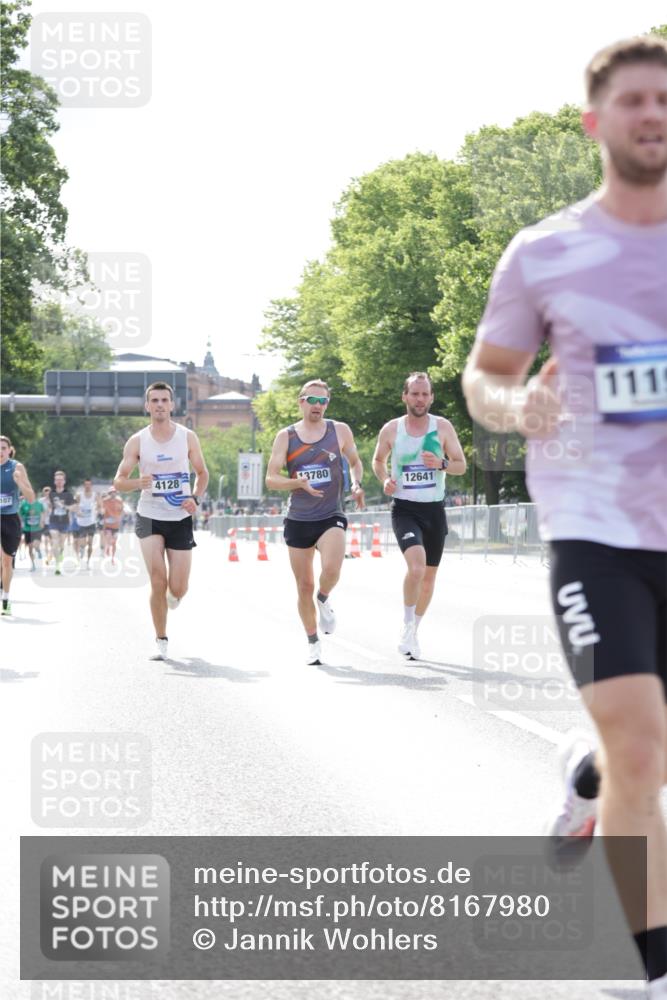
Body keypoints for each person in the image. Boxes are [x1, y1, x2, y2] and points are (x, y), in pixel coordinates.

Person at [462, 35, 667, 997]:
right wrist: (516, 408)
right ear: (596, 122)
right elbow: (485, 379)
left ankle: (588, 782)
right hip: (597, 531)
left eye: (664, 98)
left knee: (636, 753)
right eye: (632, 100)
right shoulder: (543, 252)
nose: (652, 114)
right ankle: (643, 966)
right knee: (642, 744)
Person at [265, 379, 364, 665]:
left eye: (323, 401)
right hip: (298, 518)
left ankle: (324, 597)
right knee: (303, 586)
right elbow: (271, 478)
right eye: (312, 400)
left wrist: (357, 484)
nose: (318, 406)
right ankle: (312, 642)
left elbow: (356, 462)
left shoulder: (339, 431)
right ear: (301, 401)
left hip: (330, 513)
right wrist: (296, 483)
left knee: (331, 569)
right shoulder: (286, 436)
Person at [372, 373, 466, 660]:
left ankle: (413, 629)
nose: (420, 399)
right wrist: (385, 478)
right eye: (414, 394)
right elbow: (378, 460)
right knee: (416, 568)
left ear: (431, 398)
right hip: (405, 509)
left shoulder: (443, 427)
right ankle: (406, 624)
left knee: (428, 579)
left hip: (434, 509)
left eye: (425, 394)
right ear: (405, 396)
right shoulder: (392, 429)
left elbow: (461, 466)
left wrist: (442, 463)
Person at [113, 381, 209, 661]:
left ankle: (172, 598)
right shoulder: (138, 441)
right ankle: (161, 639)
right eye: (154, 400)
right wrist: (136, 482)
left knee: (178, 588)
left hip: (179, 516)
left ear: (172, 405)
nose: (159, 405)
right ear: (147, 406)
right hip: (149, 515)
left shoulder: (187, 437)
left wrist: (195, 498)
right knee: (157, 580)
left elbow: (202, 473)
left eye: (164, 400)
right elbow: (119, 482)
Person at [0, 435, 36, 614]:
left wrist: (20, 482)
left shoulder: (17, 467)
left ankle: (5, 598)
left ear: (9, 450)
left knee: (7, 562)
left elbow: (31, 497)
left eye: (3, 448)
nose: (0, 451)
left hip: (10, 519)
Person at [49, 470, 76, 575]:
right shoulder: (51, 493)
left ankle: (60, 554)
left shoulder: (68, 494)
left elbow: (74, 507)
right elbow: (51, 506)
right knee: (55, 542)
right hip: (53, 521)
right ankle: (57, 565)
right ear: (54, 482)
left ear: (64, 481)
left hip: (64, 522)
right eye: (57, 480)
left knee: (61, 544)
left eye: (61, 480)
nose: (59, 482)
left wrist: (64, 506)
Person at [74, 479, 99, 567]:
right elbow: (75, 505)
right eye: (86, 485)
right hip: (81, 523)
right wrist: (77, 512)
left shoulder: (95, 495)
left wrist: (99, 510)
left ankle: (88, 561)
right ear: (84, 486)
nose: (87, 486)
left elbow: (100, 505)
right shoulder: (79, 495)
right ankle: (82, 548)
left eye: (89, 485)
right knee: (83, 544)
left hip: (91, 522)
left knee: (90, 543)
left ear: (91, 486)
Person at [19, 491, 45, 572]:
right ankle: (33, 564)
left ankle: (38, 550)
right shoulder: (23, 504)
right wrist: (21, 522)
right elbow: (19, 514)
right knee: (30, 548)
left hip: (37, 529)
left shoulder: (39, 504)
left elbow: (43, 513)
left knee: (35, 545)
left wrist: (42, 521)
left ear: (34, 495)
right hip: (27, 529)